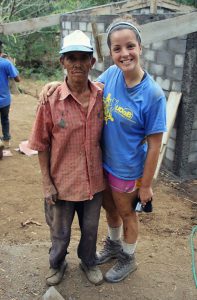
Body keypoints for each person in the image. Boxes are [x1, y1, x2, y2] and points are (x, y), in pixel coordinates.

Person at [39, 17, 166, 283]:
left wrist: (146, 185)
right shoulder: (111, 76)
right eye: (117, 49)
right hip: (103, 165)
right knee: (110, 209)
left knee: (127, 213)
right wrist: (55, 84)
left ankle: (128, 257)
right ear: (111, 54)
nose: (125, 53)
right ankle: (113, 245)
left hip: (128, 168)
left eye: (130, 46)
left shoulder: (152, 94)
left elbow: (155, 143)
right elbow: (85, 87)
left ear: (140, 48)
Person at [28, 30, 105, 286]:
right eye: (71, 57)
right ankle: (57, 263)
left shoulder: (102, 96)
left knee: (91, 230)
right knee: (59, 233)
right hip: (61, 183)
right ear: (62, 61)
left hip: (94, 181)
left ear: (92, 62)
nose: (77, 63)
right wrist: (46, 182)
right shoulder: (50, 100)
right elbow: (40, 143)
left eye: (83, 57)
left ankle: (88, 261)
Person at [0, 40, 20, 149]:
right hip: (4, 100)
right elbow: (18, 79)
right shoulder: (6, 63)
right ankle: (6, 140)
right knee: (4, 119)